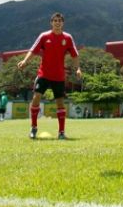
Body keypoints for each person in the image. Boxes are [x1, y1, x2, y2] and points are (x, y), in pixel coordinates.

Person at [17, 12, 83, 140]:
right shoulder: (44, 36)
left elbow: (75, 55)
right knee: (36, 97)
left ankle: (61, 132)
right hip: (44, 74)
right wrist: (25, 61)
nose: (57, 23)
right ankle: (33, 128)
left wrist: (78, 69)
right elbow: (33, 50)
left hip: (59, 76)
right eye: (55, 20)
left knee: (60, 102)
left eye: (60, 21)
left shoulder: (68, 38)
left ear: (63, 23)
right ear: (51, 22)